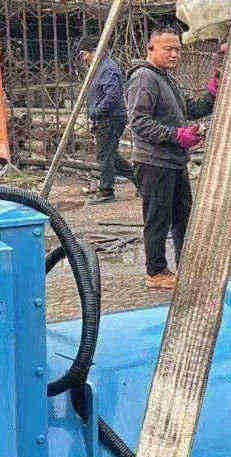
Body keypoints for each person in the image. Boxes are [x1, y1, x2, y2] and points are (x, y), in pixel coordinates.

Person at [126, 23, 217, 290]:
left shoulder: (166, 78)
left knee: (182, 218)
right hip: (154, 162)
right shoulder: (144, 78)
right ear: (150, 48)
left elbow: (189, 108)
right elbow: (139, 122)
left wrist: (212, 93)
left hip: (173, 161)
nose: (174, 54)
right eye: (168, 49)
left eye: (177, 49)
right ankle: (155, 272)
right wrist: (177, 135)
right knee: (157, 219)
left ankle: (186, 267)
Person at [76, 33, 134, 203]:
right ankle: (141, 181)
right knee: (110, 156)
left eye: (84, 54)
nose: (84, 58)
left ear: (94, 51)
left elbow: (112, 95)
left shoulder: (107, 69)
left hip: (110, 118)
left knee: (105, 156)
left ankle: (106, 191)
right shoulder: (99, 67)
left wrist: (97, 111)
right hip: (106, 118)